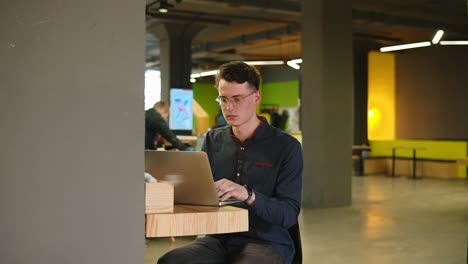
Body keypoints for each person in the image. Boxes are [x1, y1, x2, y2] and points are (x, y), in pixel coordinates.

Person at [157, 61, 303, 264]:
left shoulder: (287, 147)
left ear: (256, 97)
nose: (229, 107)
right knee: (171, 261)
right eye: (223, 99)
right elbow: (201, 194)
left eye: (237, 99)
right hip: (219, 237)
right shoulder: (212, 140)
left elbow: (288, 214)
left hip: (266, 242)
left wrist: (248, 195)